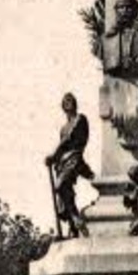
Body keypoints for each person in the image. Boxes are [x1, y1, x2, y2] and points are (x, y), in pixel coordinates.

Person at [45, 93, 94, 238]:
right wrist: (54, 159)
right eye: (66, 101)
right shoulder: (63, 127)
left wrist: (53, 155)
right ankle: (74, 226)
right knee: (65, 193)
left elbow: (68, 140)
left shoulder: (80, 119)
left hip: (75, 159)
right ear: (63, 106)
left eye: (71, 101)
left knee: (60, 185)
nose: (69, 103)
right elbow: (63, 145)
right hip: (63, 162)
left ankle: (75, 217)